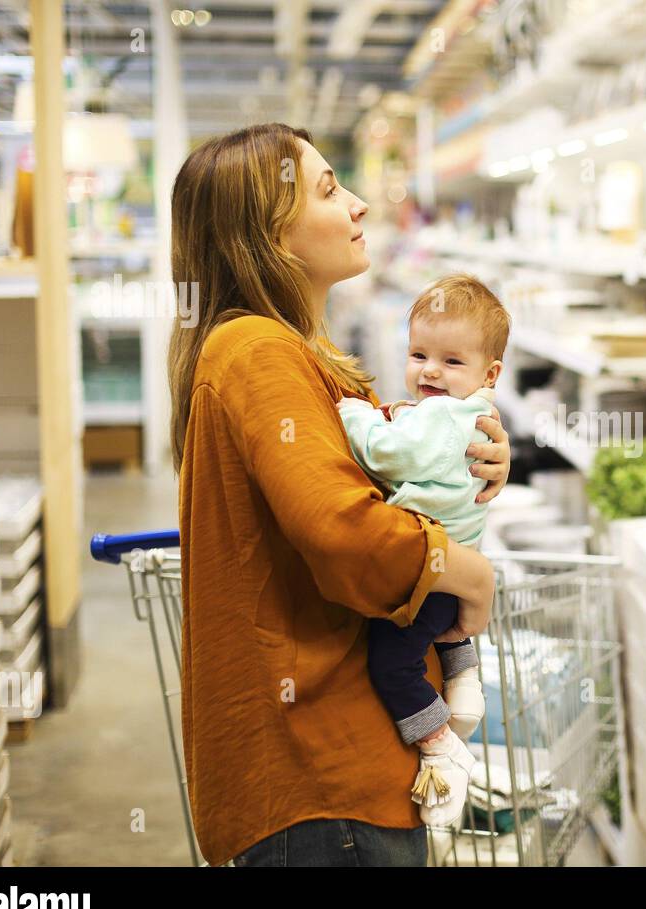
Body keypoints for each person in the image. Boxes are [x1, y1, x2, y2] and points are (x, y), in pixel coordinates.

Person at [167, 123, 509, 867]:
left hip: (327, 773)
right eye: (329, 189)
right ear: (267, 235)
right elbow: (340, 528)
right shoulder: (257, 351)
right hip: (323, 774)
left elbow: (347, 459)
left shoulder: (283, 350)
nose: (357, 205)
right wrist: (469, 572)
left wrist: (470, 450)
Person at [337, 274, 509, 827]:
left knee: (392, 664)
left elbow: (388, 454)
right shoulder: (462, 413)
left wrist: (350, 416)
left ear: (489, 374)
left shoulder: (440, 417)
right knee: (439, 630)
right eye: (419, 354)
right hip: (448, 577)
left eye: (451, 362)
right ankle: (463, 681)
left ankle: (439, 744)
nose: (430, 371)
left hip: (426, 574)